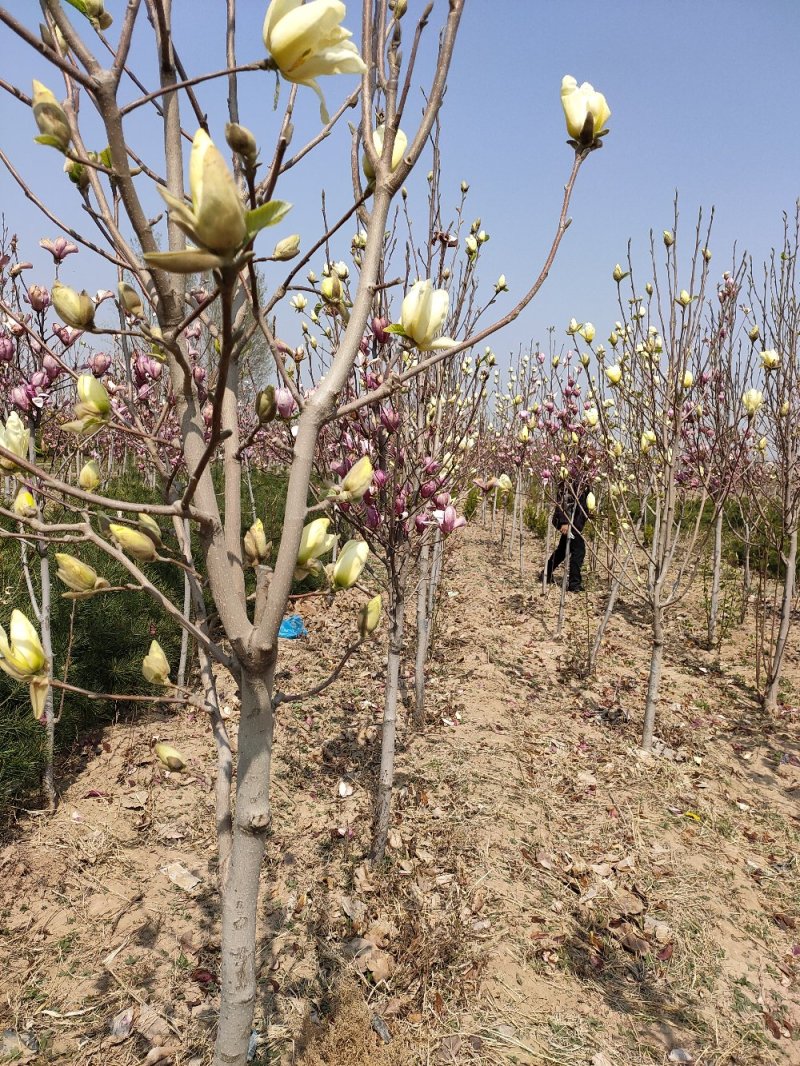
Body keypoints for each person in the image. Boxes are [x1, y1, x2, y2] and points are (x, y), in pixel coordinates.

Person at [539, 475, 592, 592]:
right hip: (569, 523)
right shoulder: (570, 477)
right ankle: (574, 584)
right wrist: (564, 522)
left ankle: (545, 574)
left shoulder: (585, 477)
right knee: (579, 551)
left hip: (575, 523)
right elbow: (562, 500)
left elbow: (583, 501)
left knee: (562, 551)